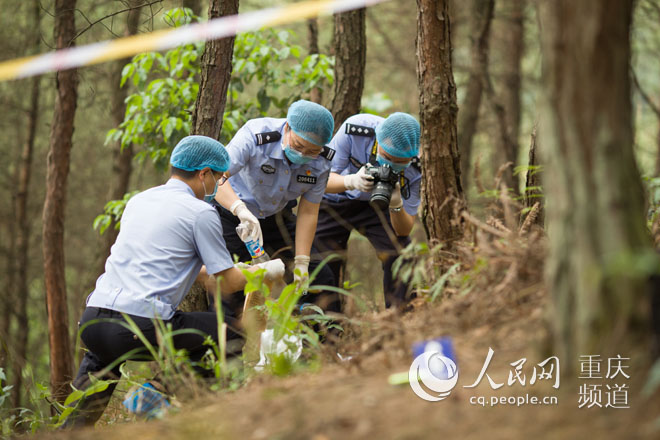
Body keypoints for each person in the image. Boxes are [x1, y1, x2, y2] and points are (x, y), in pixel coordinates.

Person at [63, 135, 285, 427]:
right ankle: (157, 394)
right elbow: (228, 283)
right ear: (204, 173)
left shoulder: (139, 200)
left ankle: (68, 431)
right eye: (218, 177)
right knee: (228, 333)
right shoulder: (201, 212)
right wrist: (266, 270)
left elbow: (176, 267)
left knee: (94, 384)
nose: (218, 185)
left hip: (93, 320)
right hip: (138, 324)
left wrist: (227, 270)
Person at [211, 99, 339, 315]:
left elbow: (308, 211)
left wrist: (302, 261)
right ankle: (228, 346)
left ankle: (321, 343)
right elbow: (217, 177)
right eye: (298, 146)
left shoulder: (323, 160)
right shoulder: (256, 134)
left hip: (276, 218)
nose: (303, 155)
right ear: (287, 127)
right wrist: (239, 209)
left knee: (321, 279)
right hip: (232, 216)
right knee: (229, 290)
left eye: (312, 152)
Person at [313, 112, 421, 309]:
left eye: (399, 162)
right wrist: (351, 181)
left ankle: (399, 321)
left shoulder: (417, 167)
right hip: (338, 199)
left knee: (401, 253)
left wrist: (396, 202)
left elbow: (404, 230)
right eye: (387, 157)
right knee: (320, 261)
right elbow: (321, 180)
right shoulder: (355, 130)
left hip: (380, 209)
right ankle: (325, 330)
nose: (389, 165)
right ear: (377, 141)